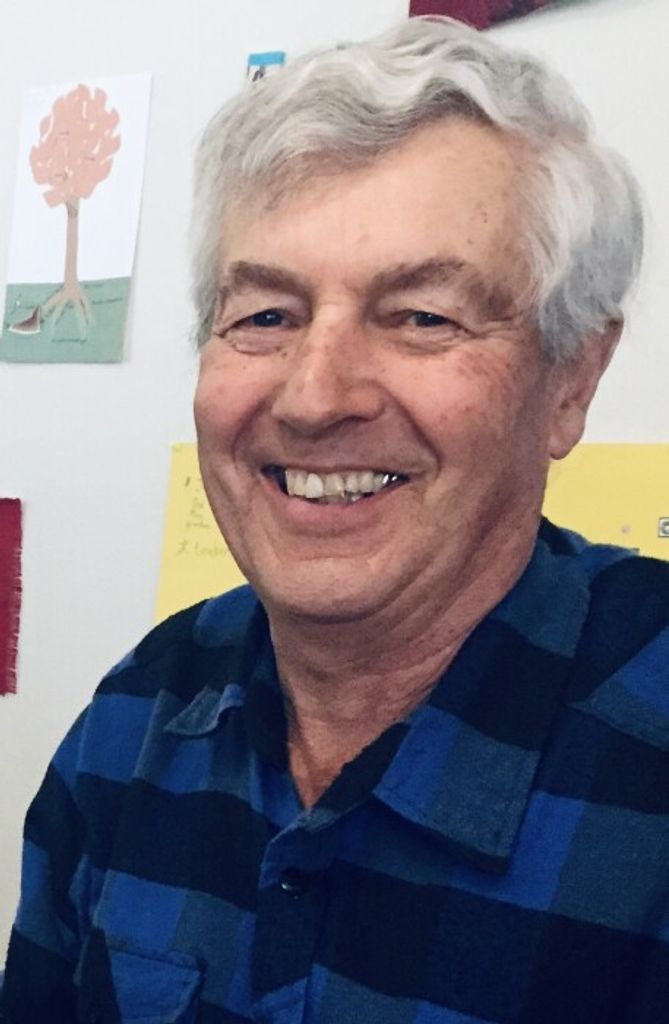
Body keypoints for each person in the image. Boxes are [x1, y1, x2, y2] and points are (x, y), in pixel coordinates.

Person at [2, 15, 668, 1024]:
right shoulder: (136, 717)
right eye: (265, 315)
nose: (314, 397)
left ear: (572, 379)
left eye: (422, 316)